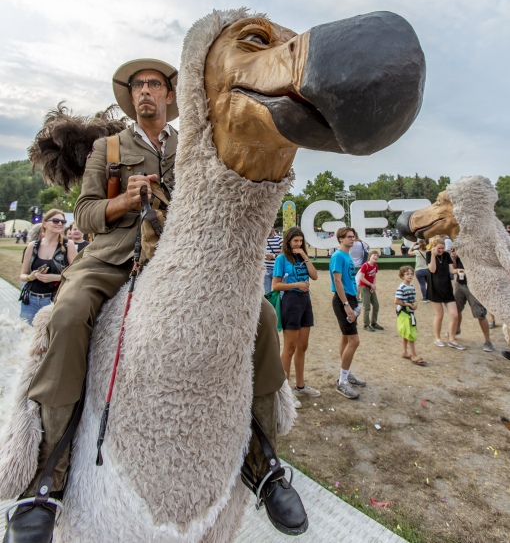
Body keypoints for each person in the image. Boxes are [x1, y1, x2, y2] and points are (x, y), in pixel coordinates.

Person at [4, 59, 305, 542]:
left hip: (178, 259)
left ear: (170, 96)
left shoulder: (191, 148)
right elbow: (84, 213)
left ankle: (264, 464)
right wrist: (123, 202)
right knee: (67, 314)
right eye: (138, 86)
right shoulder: (107, 148)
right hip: (111, 260)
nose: (146, 92)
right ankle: (45, 483)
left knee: (262, 314)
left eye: (155, 85)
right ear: (132, 98)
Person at [272, 227, 319, 403]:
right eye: (295, 241)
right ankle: (284, 392)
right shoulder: (281, 259)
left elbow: (314, 276)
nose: (298, 244)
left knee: (303, 346)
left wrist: (306, 257)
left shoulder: (302, 258)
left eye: (300, 241)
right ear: (288, 242)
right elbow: (275, 285)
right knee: (290, 347)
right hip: (291, 301)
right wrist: (296, 285)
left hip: (305, 301)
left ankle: (300, 386)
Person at [19, 209, 77, 326]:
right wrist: (31, 276)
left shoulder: (67, 245)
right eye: (56, 221)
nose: (60, 224)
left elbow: (77, 274)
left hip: (54, 301)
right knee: (26, 336)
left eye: (63, 221)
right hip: (30, 300)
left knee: (48, 338)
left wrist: (55, 277)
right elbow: (22, 275)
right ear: (45, 224)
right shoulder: (33, 246)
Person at [329, 227, 366, 399]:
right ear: (340, 239)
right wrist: (346, 305)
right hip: (342, 300)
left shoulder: (347, 255)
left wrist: (355, 301)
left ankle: (346, 373)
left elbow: (350, 279)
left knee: (346, 337)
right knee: (354, 340)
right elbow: (337, 280)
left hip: (350, 298)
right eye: (349, 237)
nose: (353, 239)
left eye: (354, 237)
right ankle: (342, 381)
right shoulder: (337, 256)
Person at [451, 248, 494, 352]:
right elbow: (454, 268)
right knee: (456, 310)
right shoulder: (460, 250)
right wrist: (454, 258)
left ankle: (488, 341)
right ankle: (457, 329)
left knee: (480, 314)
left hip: (474, 286)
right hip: (460, 284)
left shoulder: (478, 252)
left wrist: (470, 272)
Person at [426, 236, 464, 350]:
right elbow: (432, 269)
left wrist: (459, 270)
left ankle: (452, 339)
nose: (441, 250)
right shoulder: (429, 254)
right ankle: (437, 338)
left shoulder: (446, 255)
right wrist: (433, 255)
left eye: (442, 248)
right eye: (439, 248)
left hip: (446, 288)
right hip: (435, 288)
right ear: (433, 247)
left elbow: (451, 270)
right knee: (440, 315)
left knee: (454, 314)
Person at [395, 266, 426, 365]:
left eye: (411, 274)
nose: (410, 275)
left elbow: (414, 299)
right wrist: (407, 304)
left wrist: (415, 305)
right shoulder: (401, 288)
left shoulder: (412, 287)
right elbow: (397, 301)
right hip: (404, 313)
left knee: (406, 333)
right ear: (402, 276)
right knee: (410, 334)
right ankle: (414, 355)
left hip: (410, 312)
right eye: (407, 274)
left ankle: (404, 352)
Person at [359, 250, 384, 331]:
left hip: (370, 287)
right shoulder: (365, 265)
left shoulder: (375, 266)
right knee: (367, 306)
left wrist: (373, 286)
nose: (375, 257)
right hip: (364, 287)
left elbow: (374, 276)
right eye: (374, 255)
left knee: (376, 305)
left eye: (377, 256)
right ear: (370, 256)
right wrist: (370, 284)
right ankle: (366, 324)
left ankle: (374, 323)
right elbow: (361, 278)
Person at [264, 226, 283, 294]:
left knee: (279, 291)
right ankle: (269, 304)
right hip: (265, 269)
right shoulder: (262, 239)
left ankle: (278, 304)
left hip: (277, 269)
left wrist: (273, 256)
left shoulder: (279, 239)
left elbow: (284, 252)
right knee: (266, 292)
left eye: (270, 227)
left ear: (273, 228)